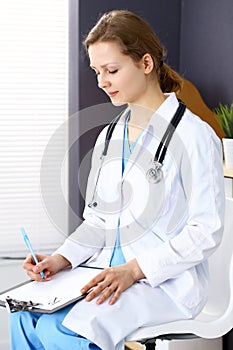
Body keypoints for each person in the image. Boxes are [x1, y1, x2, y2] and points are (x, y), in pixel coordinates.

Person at [9, 9, 225, 350]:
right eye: (97, 72)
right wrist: (61, 259)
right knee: (26, 314)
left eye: (111, 70)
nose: (102, 82)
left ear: (146, 64)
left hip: (163, 282)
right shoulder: (109, 138)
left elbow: (204, 231)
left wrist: (135, 270)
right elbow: (99, 220)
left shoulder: (194, 136)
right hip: (104, 271)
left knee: (71, 330)